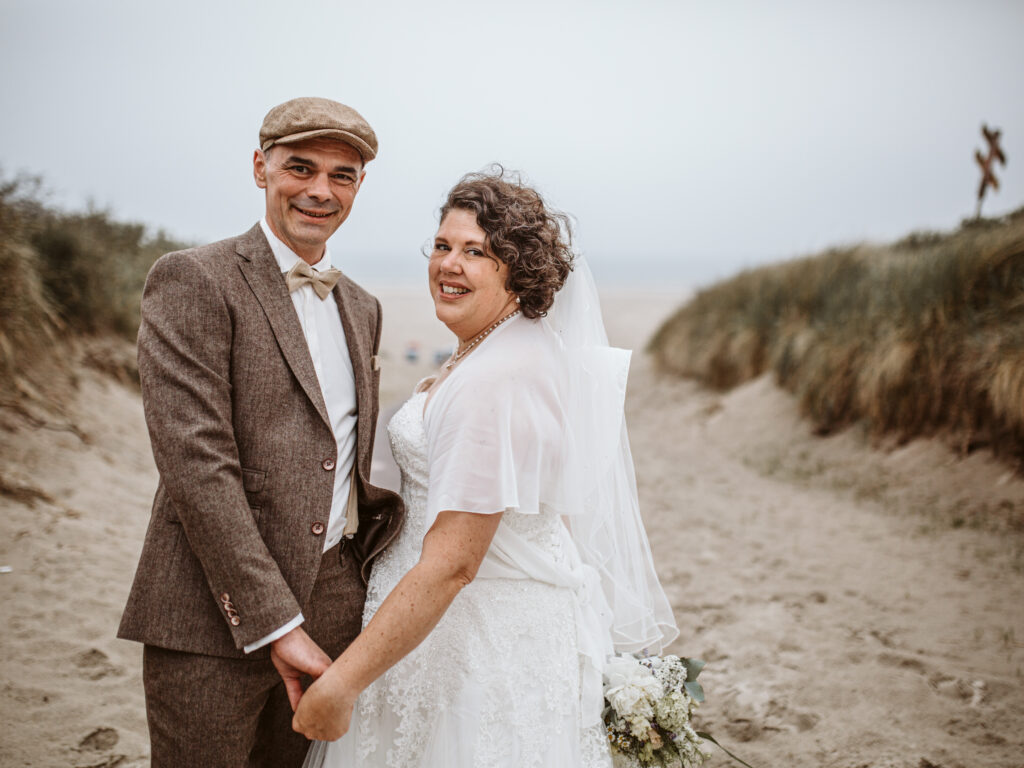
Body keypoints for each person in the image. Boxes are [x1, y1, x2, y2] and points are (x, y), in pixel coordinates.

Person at [293, 169, 679, 767]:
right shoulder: (521, 345)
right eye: (442, 246)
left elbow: (453, 564)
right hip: (513, 627)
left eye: (475, 252)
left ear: (517, 270)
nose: (449, 264)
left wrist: (343, 683)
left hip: (468, 643)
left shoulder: (493, 380)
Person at [117, 97, 404, 767]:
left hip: (334, 609)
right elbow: (197, 464)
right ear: (259, 168)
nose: (320, 190)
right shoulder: (193, 278)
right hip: (208, 614)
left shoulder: (362, 307)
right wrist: (276, 621)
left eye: (341, 175)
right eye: (300, 168)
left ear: (359, 186)